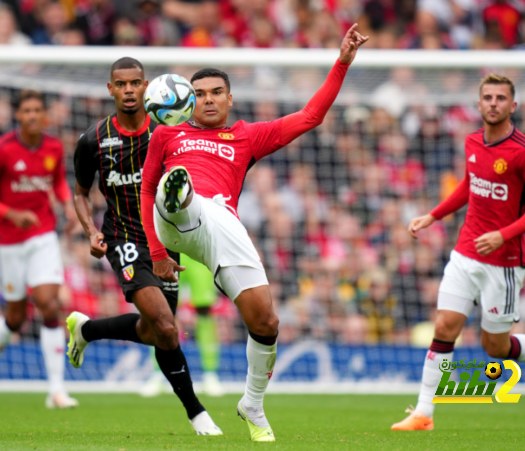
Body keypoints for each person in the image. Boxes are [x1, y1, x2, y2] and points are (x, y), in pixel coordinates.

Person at [140, 24, 368, 442]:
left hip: (222, 227)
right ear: (188, 100)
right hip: (170, 220)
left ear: (230, 98)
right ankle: (182, 199)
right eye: (200, 93)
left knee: (266, 321)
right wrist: (155, 251)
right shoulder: (167, 134)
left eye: (216, 92)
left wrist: (342, 63)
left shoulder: (245, 136)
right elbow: (145, 189)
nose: (208, 99)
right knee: (177, 185)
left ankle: (252, 403)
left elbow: (309, 116)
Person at [391, 74, 525, 431]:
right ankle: (423, 414)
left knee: (494, 346)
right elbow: (469, 184)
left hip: (503, 263)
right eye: (487, 97)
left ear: (512, 106)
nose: (493, 103)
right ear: (479, 104)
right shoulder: (472, 140)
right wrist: (433, 215)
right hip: (465, 251)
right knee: (445, 326)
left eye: (500, 98)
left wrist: (502, 235)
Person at [67, 57, 221, 436]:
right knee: (167, 328)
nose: (129, 90)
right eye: (121, 84)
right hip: (123, 239)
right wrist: (90, 231)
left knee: (155, 333)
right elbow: (80, 193)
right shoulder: (93, 140)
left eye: (135, 83)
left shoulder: (166, 132)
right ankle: (198, 414)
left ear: (146, 85)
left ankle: (86, 331)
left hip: (166, 242)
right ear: (111, 90)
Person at [0, 89, 78, 409]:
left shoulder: (53, 147)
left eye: (38, 110)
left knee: (49, 304)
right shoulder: (1, 150)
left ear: (44, 116)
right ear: (17, 115)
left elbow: (57, 181)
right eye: (27, 110)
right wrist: (10, 214)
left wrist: (66, 203)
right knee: (16, 317)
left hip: (43, 235)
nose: (33, 115)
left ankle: (57, 390)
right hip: (8, 242)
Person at [140, 253, 223, 398]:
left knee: (204, 311)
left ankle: (210, 375)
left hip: (198, 253)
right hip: (170, 252)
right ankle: (158, 374)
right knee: (163, 312)